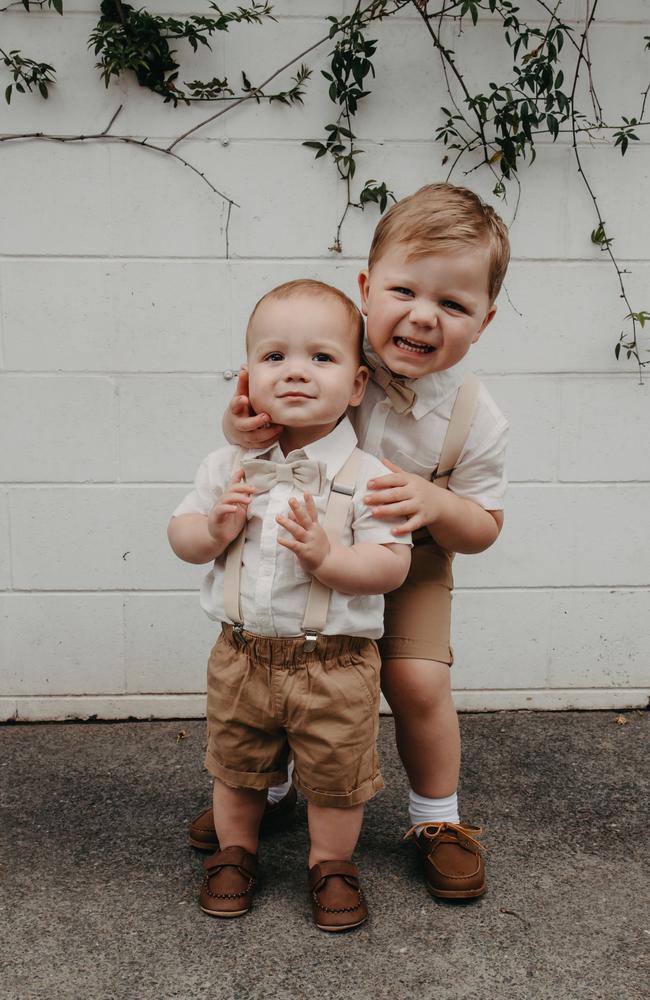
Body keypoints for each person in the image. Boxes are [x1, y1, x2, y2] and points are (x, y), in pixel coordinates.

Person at [210, 183, 510, 901]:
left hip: (411, 558)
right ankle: (265, 790)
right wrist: (239, 430)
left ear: (485, 321)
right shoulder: (323, 358)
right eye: (405, 289)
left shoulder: (475, 415)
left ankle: (438, 820)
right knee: (275, 675)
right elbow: (254, 438)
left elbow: (485, 527)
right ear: (368, 288)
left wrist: (436, 501)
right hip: (301, 553)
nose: (423, 316)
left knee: (415, 679)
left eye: (454, 304)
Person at [168, 279, 411, 929]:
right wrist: (214, 531)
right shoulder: (227, 467)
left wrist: (328, 560)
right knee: (239, 765)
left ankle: (331, 862)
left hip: (334, 662)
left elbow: (392, 564)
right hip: (241, 654)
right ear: (247, 376)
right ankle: (235, 852)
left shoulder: (372, 478)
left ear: (357, 385)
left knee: (336, 773)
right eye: (275, 356)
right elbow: (181, 536)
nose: (297, 371)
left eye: (321, 358)